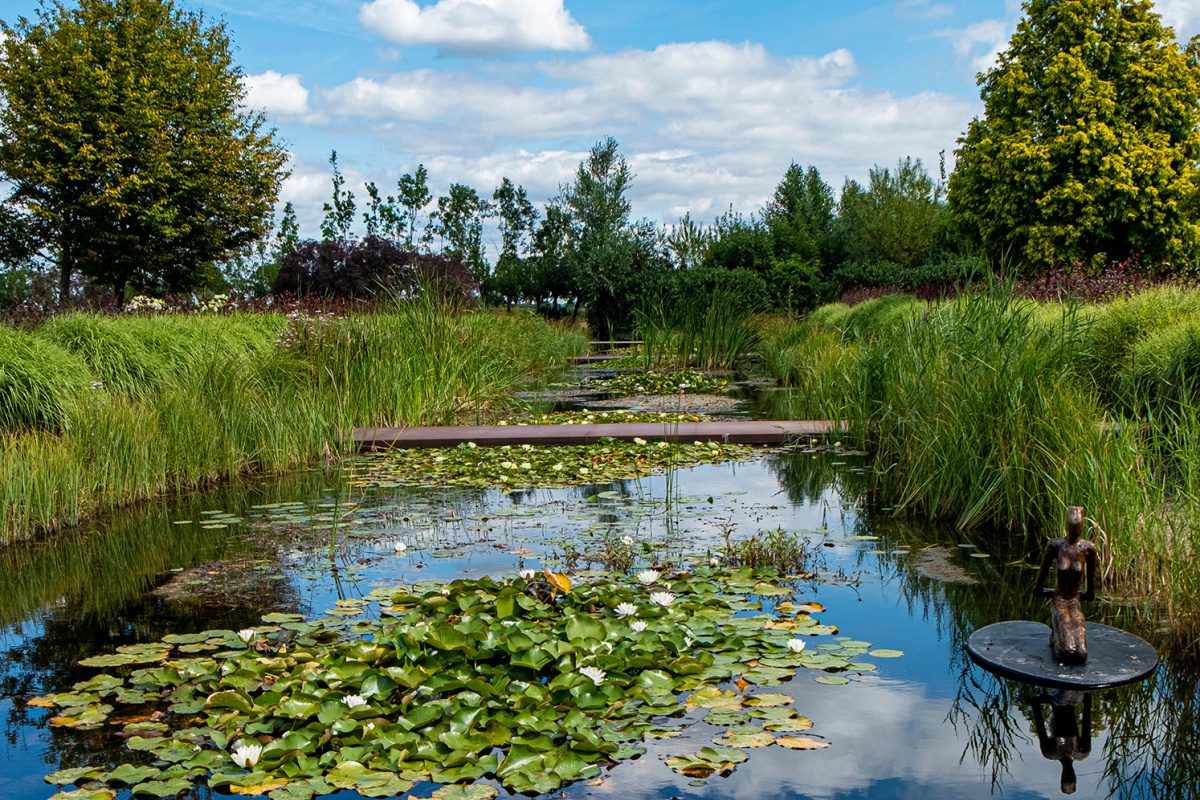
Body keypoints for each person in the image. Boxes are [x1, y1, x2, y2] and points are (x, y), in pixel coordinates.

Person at [1033, 506, 1097, 665]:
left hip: (1074, 601)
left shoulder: (1088, 548)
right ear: (1068, 525)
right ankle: (1056, 635)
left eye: (1078, 526)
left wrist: (1079, 596)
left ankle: (1057, 634)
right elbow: (1038, 587)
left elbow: (1090, 593)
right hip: (1059, 600)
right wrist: (1052, 594)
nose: (1075, 530)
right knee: (1068, 651)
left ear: (1082, 526)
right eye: (1072, 526)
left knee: (1081, 652)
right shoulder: (1055, 545)